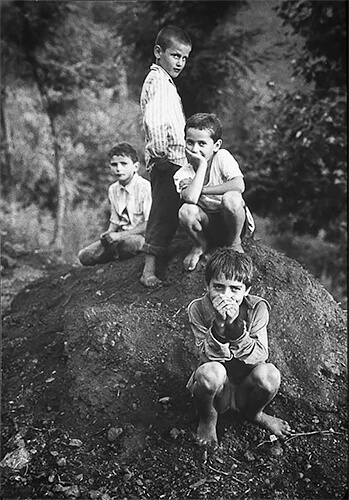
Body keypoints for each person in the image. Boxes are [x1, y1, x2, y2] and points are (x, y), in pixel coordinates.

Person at [186, 247, 293, 447]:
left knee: (270, 375)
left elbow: (261, 354)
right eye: (218, 287)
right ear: (207, 285)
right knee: (209, 373)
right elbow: (202, 355)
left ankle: (255, 414)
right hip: (219, 390)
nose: (226, 295)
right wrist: (218, 327)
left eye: (235, 289)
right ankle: (208, 417)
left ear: (246, 290)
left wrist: (236, 331)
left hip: (247, 386)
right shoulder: (198, 308)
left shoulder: (258, 308)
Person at [140, 25, 192, 288]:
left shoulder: (166, 82)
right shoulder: (159, 82)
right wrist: (161, 157)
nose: (180, 62)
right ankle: (149, 269)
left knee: (171, 209)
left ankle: (171, 256)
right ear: (159, 52)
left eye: (184, 58)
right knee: (161, 211)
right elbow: (156, 122)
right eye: (175, 55)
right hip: (166, 160)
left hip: (174, 159)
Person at [173, 113, 255, 272]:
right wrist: (202, 165)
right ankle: (200, 244)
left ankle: (235, 243)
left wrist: (202, 190)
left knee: (231, 198)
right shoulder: (182, 173)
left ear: (216, 145)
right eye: (190, 142)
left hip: (231, 219)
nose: (194, 149)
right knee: (186, 211)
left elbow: (239, 185)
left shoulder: (222, 157)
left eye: (202, 143)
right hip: (207, 223)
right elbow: (190, 198)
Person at [78, 142, 152, 266]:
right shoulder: (113, 189)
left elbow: (149, 223)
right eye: (114, 165)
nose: (118, 168)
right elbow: (115, 220)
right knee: (84, 256)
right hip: (119, 236)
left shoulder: (144, 187)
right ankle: (113, 254)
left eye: (124, 164)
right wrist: (109, 233)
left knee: (130, 244)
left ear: (135, 167)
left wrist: (120, 236)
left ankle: (115, 255)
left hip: (138, 236)